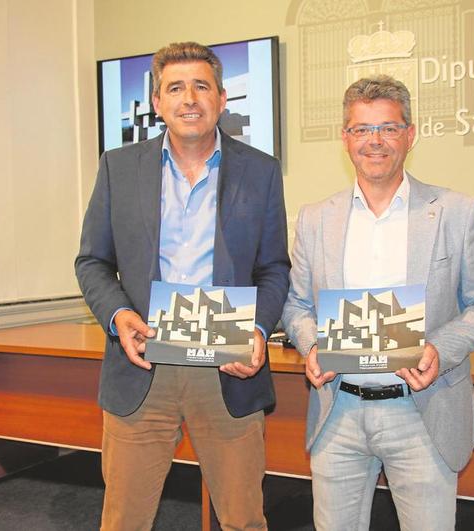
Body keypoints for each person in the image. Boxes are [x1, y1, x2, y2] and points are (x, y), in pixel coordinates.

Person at [281, 74, 474, 530]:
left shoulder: (455, 211)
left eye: (388, 128)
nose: (375, 141)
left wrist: (438, 350)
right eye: (362, 129)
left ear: (410, 134)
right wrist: (311, 346)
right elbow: (296, 305)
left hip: (422, 411)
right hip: (338, 409)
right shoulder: (314, 218)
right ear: (345, 139)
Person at [75, 41, 290, 531]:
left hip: (228, 366)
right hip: (144, 363)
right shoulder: (119, 167)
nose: (189, 98)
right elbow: (92, 260)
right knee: (124, 519)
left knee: (243, 519)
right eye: (175, 87)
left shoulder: (260, 171)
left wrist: (256, 330)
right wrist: (117, 316)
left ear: (222, 98)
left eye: (201, 86)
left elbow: (274, 268)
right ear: (157, 102)